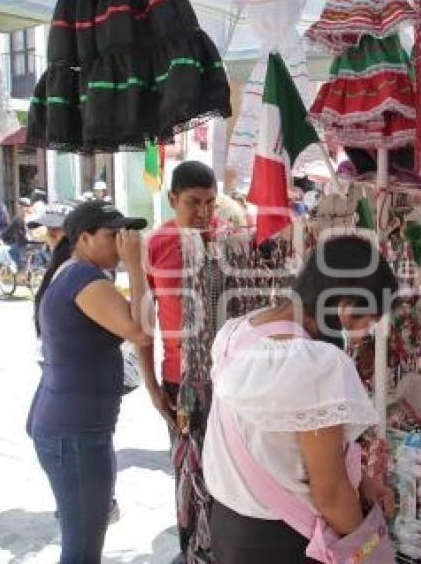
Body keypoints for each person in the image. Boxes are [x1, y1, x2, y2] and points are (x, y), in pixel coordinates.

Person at [202, 236, 399, 563]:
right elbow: (330, 495)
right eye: (369, 319)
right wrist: (369, 552)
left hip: (228, 525)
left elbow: (277, 441)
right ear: (345, 306)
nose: (366, 331)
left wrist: (361, 480)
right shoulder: (317, 364)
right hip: (284, 541)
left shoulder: (239, 332)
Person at [26, 200, 150, 564]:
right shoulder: (84, 278)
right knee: (82, 551)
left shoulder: (75, 272)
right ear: (83, 238)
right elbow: (141, 331)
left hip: (72, 427)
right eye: (113, 236)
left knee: (83, 542)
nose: (121, 243)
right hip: (75, 433)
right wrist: (136, 268)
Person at [139, 160, 225, 562]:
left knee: (224, 473)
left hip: (227, 381)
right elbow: (144, 322)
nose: (204, 213)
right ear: (173, 199)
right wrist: (152, 385)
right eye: (194, 203)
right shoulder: (155, 245)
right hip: (180, 380)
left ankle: (218, 548)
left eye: (210, 202)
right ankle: (190, 550)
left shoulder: (226, 240)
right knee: (187, 473)